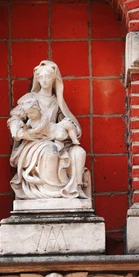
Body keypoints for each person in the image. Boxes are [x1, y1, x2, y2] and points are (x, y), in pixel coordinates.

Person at [8, 60, 89, 200]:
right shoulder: (30, 98)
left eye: (48, 77)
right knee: (50, 150)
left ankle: (75, 188)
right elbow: (14, 118)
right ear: (37, 79)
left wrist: (70, 131)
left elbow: (70, 124)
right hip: (34, 141)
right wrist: (21, 132)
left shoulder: (57, 102)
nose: (45, 81)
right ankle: (54, 192)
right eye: (41, 77)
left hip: (55, 139)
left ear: (54, 79)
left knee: (79, 152)